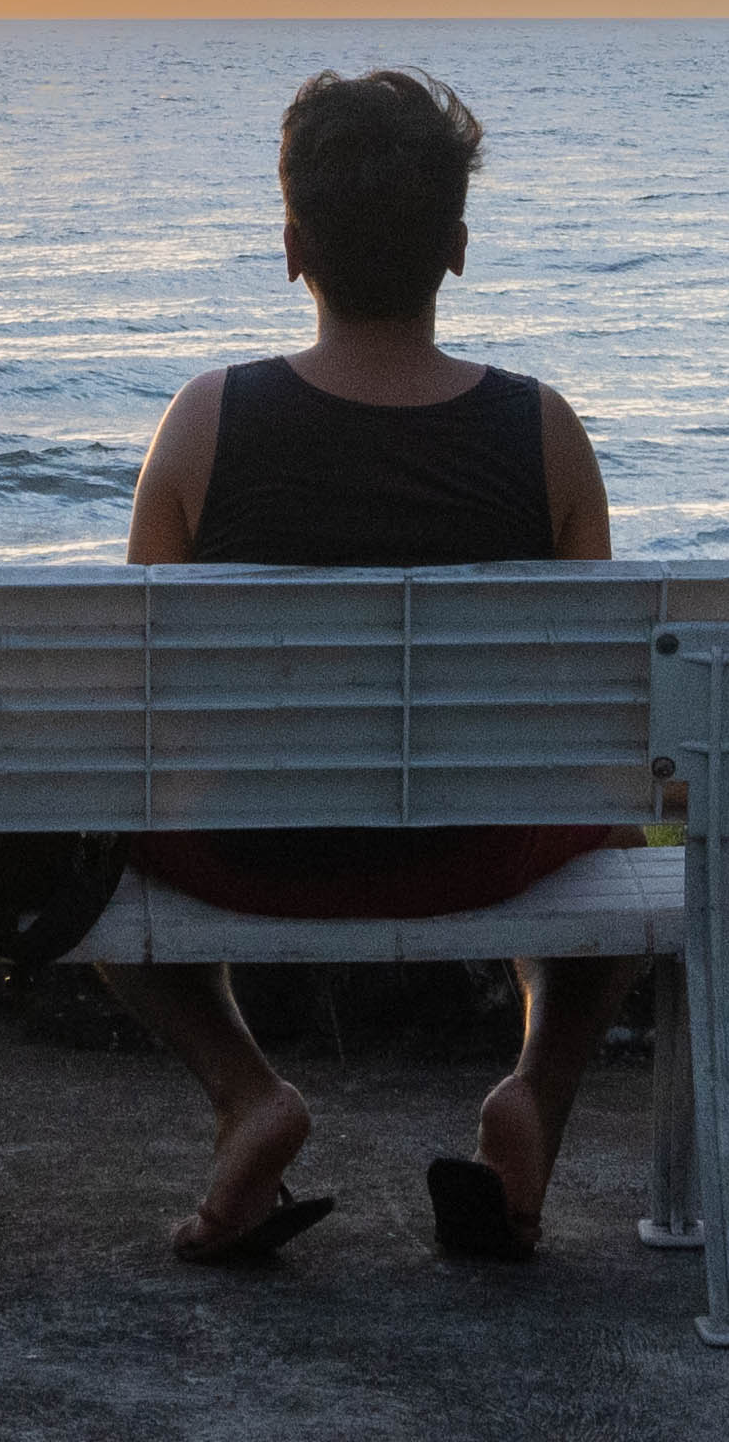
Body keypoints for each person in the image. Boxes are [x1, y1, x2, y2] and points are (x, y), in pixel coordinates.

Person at [100, 65, 639, 1271]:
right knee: (626, 859)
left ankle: (248, 1093)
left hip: (251, 852)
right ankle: (533, 1104)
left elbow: (141, 697)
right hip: (475, 851)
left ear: (293, 246)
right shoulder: (544, 431)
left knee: (79, 842)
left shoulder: (204, 423)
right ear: (457, 246)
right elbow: (598, 708)